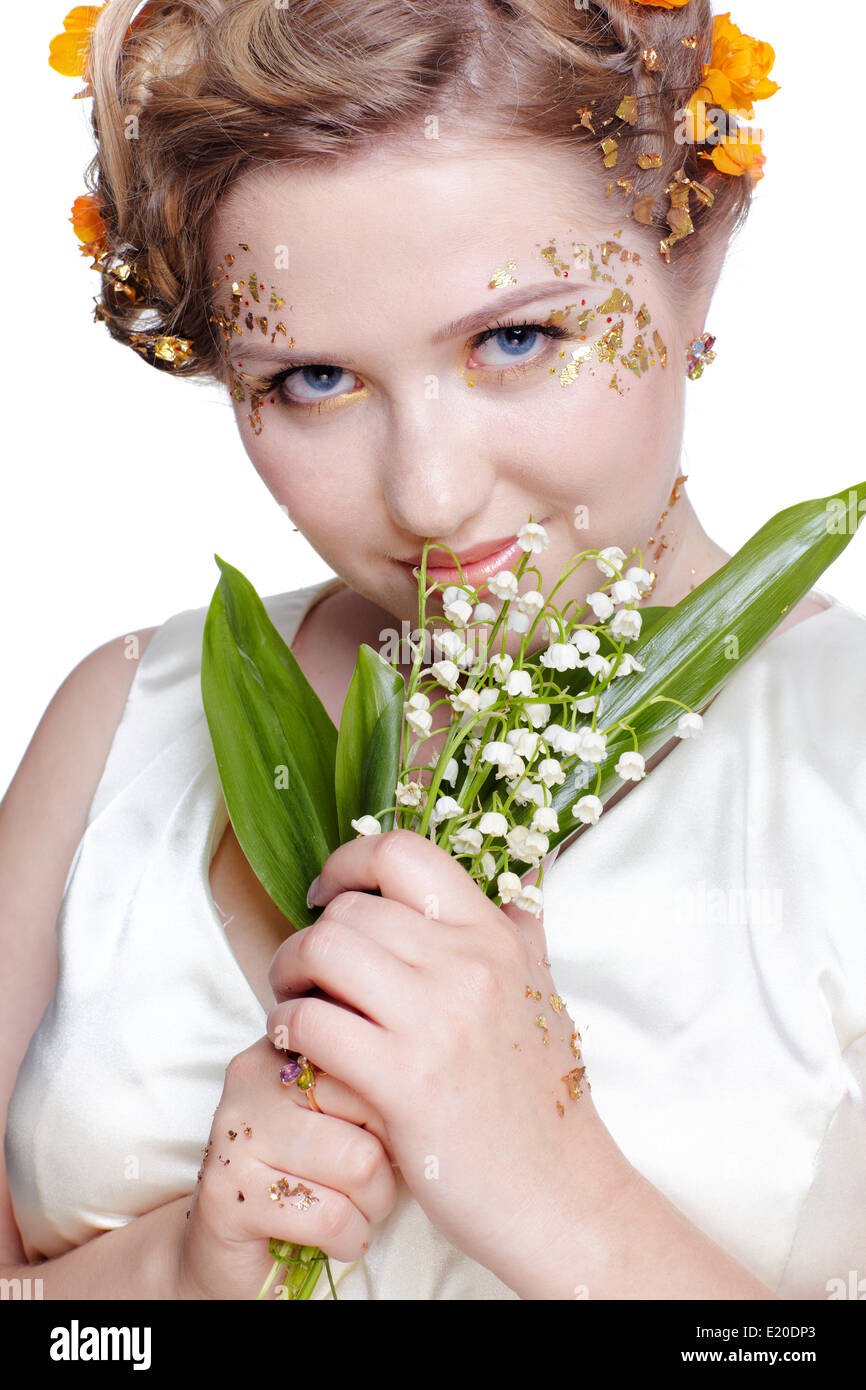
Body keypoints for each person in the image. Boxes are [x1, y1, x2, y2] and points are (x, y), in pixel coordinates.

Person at [2, 0, 864, 1301]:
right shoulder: (120, 722)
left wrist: (553, 1189)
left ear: (693, 256)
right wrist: (174, 1275)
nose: (426, 493)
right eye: (310, 380)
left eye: (514, 338)